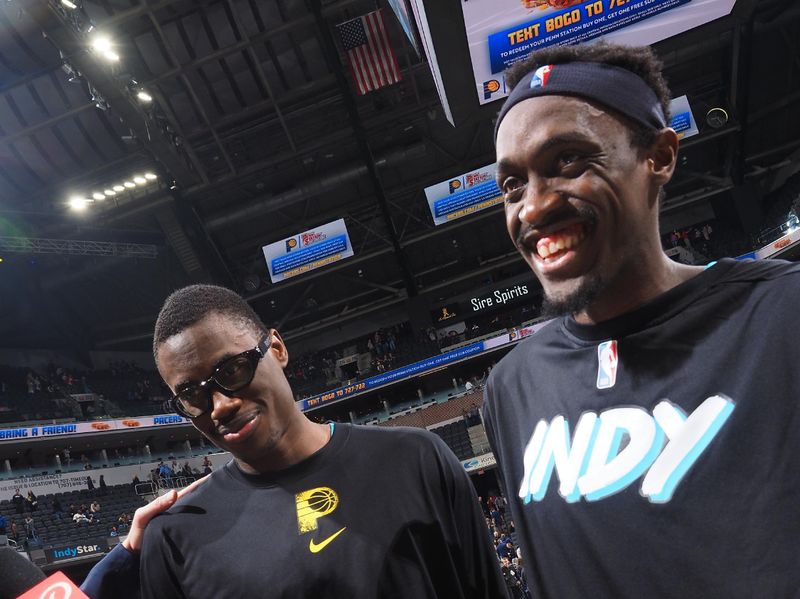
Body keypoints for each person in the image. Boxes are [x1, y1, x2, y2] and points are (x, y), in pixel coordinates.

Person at [485, 42, 800, 597]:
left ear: (659, 156)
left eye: (568, 161)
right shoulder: (511, 389)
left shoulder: (781, 315)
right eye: (513, 185)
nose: (532, 208)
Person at [139, 284, 505, 598]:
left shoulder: (416, 459)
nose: (220, 406)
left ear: (277, 349)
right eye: (191, 394)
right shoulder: (175, 538)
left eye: (232, 370)